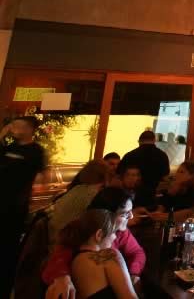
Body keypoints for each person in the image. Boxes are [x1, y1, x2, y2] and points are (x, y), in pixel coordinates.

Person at [44, 187, 146, 299]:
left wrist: (134, 273)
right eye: (124, 214)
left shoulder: (121, 232)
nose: (131, 216)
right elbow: (57, 260)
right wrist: (63, 277)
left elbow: (137, 252)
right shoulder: (77, 232)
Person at [0, 115, 47, 299]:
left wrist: (34, 193)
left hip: (15, 209)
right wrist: (2, 134)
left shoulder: (35, 151)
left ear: (29, 129)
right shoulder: (9, 148)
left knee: (8, 250)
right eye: (14, 125)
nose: (14, 128)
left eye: (18, 125)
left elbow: (43, 175)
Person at [60, 209, 138, 299]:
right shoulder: (109, 255)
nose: (115, 237)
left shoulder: (70, 264)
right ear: (99, 235)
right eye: (113, 232)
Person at [50, 160, 111, 250]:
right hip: (68, 243)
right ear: (105, 176)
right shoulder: (94, 195)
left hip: (55, 239)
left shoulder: (76, 189)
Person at [119, 131, 170, 208]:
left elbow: (119, 176)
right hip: (152, 196)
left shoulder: (129, 155)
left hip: (131, 196)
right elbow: (165, 178)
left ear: (139, 141)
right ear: (154, 140)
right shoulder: (162, 156)